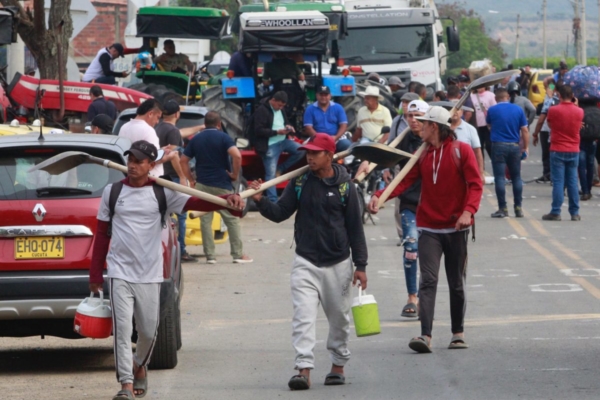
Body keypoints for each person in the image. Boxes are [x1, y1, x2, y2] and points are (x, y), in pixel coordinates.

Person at [89, 140, 244, 400]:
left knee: (149, 332)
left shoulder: (163, 192)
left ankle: (140, 364)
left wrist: (228, 201)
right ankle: (125, 383)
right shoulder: (112, 192)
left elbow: (199, 203)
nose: (133, 165)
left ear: (151, 165)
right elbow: (102, 235)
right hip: (119, 272)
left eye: (139, 161)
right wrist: (95, 275)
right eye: (130, 160)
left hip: (150, 273)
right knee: (123, 331)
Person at [248, 133, 368, 391]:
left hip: (339, 263)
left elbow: (355, 229)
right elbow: (280, 213)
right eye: (307, 153)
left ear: (330, 155)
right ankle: (303, 369)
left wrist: (361, 266)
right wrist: (260, 200)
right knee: (303, 317)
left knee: (339, 319)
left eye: (315, 153)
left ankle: (338, 365)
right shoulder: (300, 181)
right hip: (306, 261)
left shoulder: (346, 186)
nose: (309, 157)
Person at [368, 106, 483, 353]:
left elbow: (475, 184)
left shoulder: (461, 151)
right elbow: (405, 183)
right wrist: (380, 196)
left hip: (456, 227)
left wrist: (468, 212)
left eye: (424, 122)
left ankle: (458, 333)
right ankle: (425, 335)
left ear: (434, 127)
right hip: (428, 227)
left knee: (456, 283)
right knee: (428, 281)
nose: (417, 125)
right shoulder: (422, 155)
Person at [180, 111, 253, 263]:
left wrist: (190, 180)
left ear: (205, 124)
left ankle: (210, 256)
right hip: (222, 184)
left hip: (202, 184)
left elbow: (183, 160)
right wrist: (234, 174)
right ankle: (238, 254)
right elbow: (237, 155)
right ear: (219, 124)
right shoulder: (224, 137)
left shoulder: (196, 139)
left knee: (205, 220)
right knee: (231, 219)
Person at [393, 100, 429, 318]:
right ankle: (412, 297)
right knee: (411, 249)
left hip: (434, 204)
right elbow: (387, 157)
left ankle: (427, 296)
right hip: (409, 202)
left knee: (431, 254)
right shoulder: (403, 139)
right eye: (409, 116)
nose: (413, 120)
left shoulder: (435, 139)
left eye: (417, 116)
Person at [155, 100, 195, 262]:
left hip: (160, 176)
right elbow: (175, 156)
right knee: (181, 215)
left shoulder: (157, 128)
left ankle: (163, 248)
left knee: (164, 214)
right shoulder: (173, 131)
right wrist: (183, 176)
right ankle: (181, 250)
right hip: (173, 177)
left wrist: (199, 128)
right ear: (177, 114)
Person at [253, 91, 305, 203]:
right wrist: (277, 132)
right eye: (279, 105)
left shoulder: (280, 110)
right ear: (273, 100)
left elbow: (285, 121)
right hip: (270, 144)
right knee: (270, 174)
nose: (280, 108)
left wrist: (288, 127)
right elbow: (258, 130)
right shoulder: (261, 111)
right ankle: (273, 200)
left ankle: (280, 168)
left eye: (283, 106)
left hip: (283, 141)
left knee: (301, 150)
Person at [486, 88, 529, 218]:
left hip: (498, 145)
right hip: (514, 146)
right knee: (516, 177)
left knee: (499, 177)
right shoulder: (518, 110)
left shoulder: (492, 110)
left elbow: (489, 126)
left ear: (495, 98)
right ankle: (518, 207)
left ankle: (502, 208)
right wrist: (525, 147)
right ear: (508, 96)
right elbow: (525, 130)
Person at [543, 84, 583, 221]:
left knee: (558, 182)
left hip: (557, 148)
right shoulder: (579, 111)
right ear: (572, 96)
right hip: (573, 149)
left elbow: (550, 125)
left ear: (559, 95)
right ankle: (575, 212)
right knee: (572, 181)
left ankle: (556, 211)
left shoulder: (553, 110)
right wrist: (576, 106)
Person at [303, 86, 350, 152]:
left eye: (326, 95)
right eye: (321, 95)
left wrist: (336, 137)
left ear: (330, 96)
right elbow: (308, 128)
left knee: (346, 144)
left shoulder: (338, 107)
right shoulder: (310, 109)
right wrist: (319, 139)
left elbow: (344, 125)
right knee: (303, 149)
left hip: (335, 138)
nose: (323, 97)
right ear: (317, 95)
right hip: (317, 138)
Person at [447, 101, 485, 181]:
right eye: (452, 109)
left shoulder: (470, 129)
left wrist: (480, 173)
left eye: (458, 109)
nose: (455, 112)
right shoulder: (443, 129)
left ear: (462, 112)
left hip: (465, 171)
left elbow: (477, 151)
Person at [531, 78, 558, 182]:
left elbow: (542, 118)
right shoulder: (549, 97)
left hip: (548, 128)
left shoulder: (552, 97)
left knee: (548, 153)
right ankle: (546, 173)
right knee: (545, 154)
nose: (544, 88)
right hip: (545, 128)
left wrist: (535, 133)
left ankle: (549, 174)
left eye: (545, 86)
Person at [578, 99, 600, 201]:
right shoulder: (598, 111)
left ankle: (585, 190)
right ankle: (589, 190)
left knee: (582, 166)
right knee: (590, 165)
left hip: (582, 141)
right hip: (593, 141)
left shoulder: (581, 111)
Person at [470, 87, 496, 160]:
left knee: (489, 146)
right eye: (479, 86)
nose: (480, 88)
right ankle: (481, 168)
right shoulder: (472, 96)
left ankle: (495, 163)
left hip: (488, 125)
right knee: (479, 147)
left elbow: (494, 108)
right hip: (476, 126)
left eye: (482, 86)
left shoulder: (491, 95)